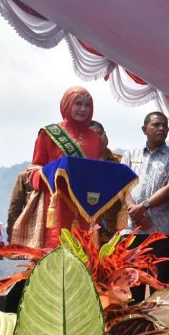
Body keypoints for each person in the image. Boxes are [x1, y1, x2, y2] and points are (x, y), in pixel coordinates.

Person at [13, 87, 103, 249]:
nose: (83, 109)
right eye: (78, 104)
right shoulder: (49, 133)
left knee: (84, 250)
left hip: (85, 203)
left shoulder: (96, 138)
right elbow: (34, 170)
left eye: (87, 105)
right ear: (67, 104)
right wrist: (53, 173)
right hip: (56, 202)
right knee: (56, 246)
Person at [122, 112, 169, 300]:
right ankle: (134, 320)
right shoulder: (130, 155)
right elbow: (121, 185)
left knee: (161, 287)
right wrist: (134, 210)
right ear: (144, 129)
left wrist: (144, 206)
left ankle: (161, 321)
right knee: (133, 287)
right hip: (133, 230)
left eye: (165, 125)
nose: (161, 128)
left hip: (161, 232)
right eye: (156, 125)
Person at [88, 120, 124, 238]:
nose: (99, 138)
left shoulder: (121, 162)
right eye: (92, 136)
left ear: (105, 133)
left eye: (100, 133)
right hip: (87, 228)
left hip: (114, 227)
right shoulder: (81, 164)